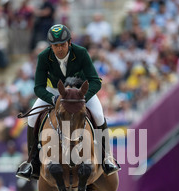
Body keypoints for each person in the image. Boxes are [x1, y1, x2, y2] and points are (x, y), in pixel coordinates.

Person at [16, 24, 120, 181]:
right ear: (51, 46)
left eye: (62, 45)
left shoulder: (81, 53)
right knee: (31, 118)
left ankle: (107, 158)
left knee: (98, 115)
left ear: (69, 43)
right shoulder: (44, 57)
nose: (59, 49)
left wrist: (83, 97)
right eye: (55, 46)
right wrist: (51, 98)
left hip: (80, 92)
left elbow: (95, 81)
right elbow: (38, 87)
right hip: (54, 92)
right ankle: (32, 162)